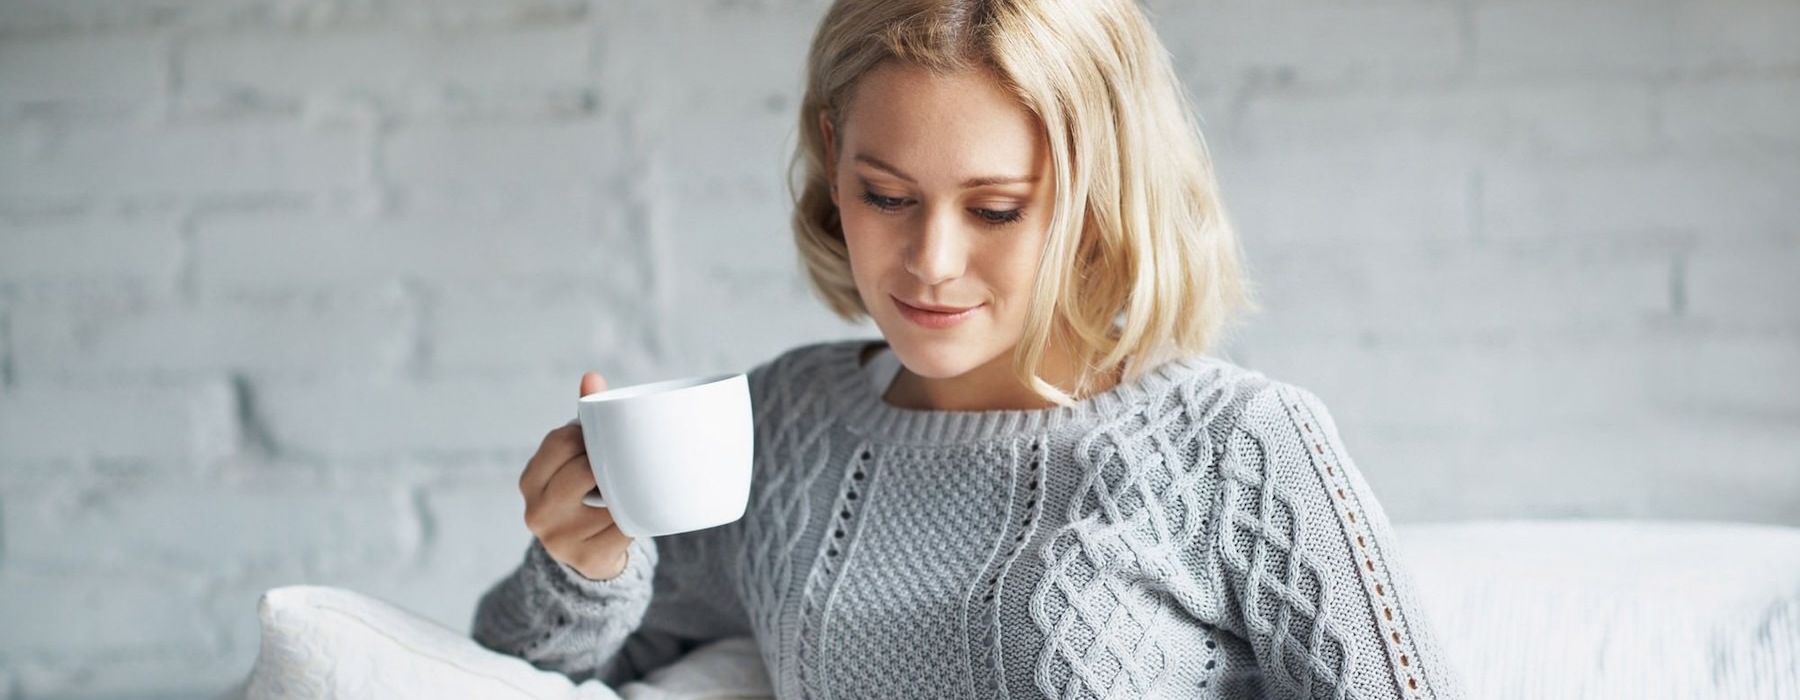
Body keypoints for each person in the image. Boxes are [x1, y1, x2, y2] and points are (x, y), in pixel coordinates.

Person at [474, 0, 1465, 697]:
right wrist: (581, 563)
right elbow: (521, 674)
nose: (930, 262)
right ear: (832, 160)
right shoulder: (780, 429)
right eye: (886, 196)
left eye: (995, 208)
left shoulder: (1239, 447)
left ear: (1098, 198)